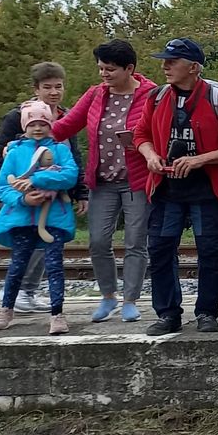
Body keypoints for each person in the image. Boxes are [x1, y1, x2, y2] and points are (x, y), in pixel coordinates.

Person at [134, 38, 218, 335]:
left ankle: (207, 312)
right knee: (160, 250)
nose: (165, 66)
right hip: (166, 190)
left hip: (207, 191)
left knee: (210, 251)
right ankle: (168, 314)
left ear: (194, 67)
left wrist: (199, 160)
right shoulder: (156, 97)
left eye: (172, 61)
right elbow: (140, 135)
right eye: (165, 60)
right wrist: (150, 156)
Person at [52, 39, 155, 323]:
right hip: (103, 181)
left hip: (136, 180)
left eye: (110, 69)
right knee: (98, 241)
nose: (103, 74)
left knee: (135, 242)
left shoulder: (151, 94)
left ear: (129, 69)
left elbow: (161, 130)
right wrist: (29, 137)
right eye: (100, 68)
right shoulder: (96, 94)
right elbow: (67, 125)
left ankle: (131, 300)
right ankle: (108, 296)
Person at [0, 62, 86, 313]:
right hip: (21, 192)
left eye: (58, 86)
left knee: (49, 241)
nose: (54, 92)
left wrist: (81, 191)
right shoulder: (18, 116)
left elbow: (74, 157)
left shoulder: (66, 117)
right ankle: (17, 293)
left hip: (56, 192)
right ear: (36, 89)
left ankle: (29, 291)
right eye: (47, 87)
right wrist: (4, 193)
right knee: (25, 244)